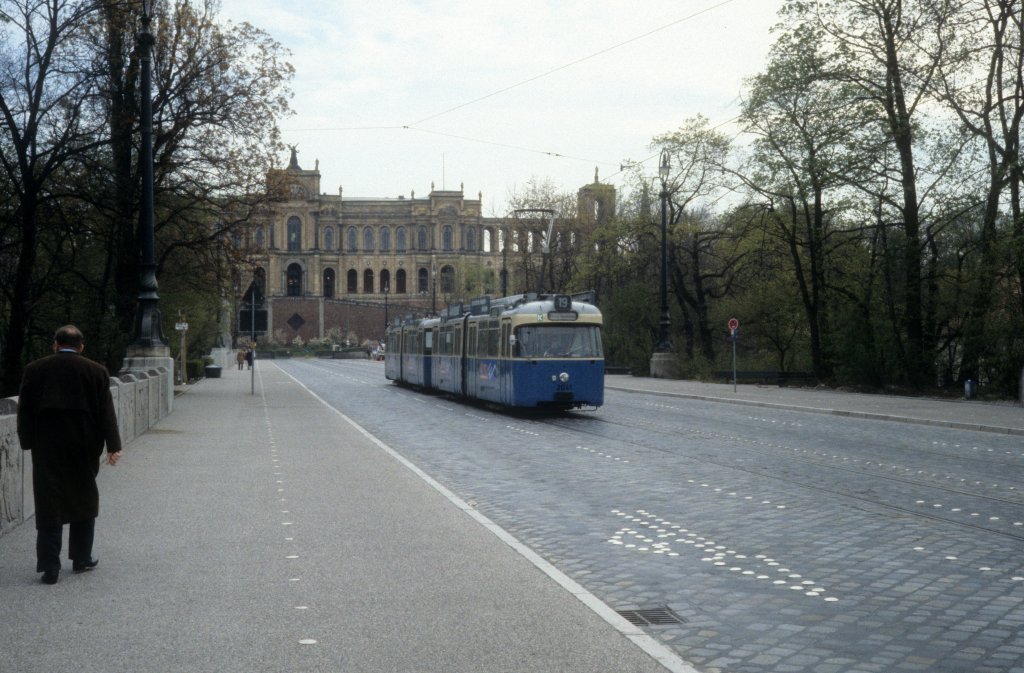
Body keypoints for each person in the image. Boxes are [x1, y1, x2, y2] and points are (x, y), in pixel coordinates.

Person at [16, 325, 123, 585]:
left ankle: (49, 566)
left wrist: (27, 441)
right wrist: (113, 446)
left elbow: (25, 411)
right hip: (83, 445)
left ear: (55, 344)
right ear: (81, 346)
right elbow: (105, 412)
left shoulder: (35, 370)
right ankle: (81, 557)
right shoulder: (96, 371)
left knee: (48, 500)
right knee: (83, 497)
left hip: (47, 446)